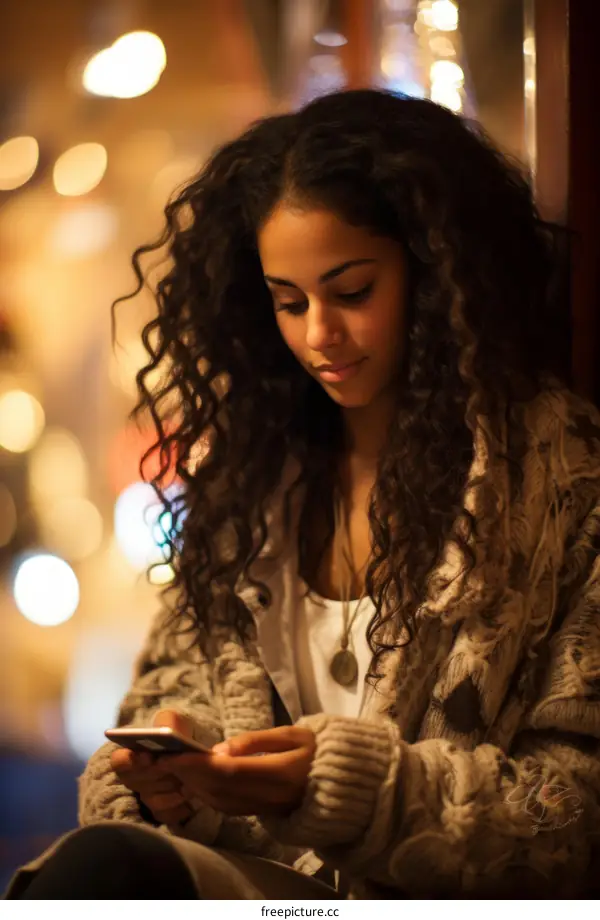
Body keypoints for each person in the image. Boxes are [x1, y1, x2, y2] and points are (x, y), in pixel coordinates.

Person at [6, 87, 600, 900]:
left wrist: (355, 792)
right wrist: (176, 783)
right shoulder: (255, 484)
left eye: (351, 292)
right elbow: (172, 689)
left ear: (434, 275)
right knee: (93, 874)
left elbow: (575, 810)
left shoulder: (557, 485)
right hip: (274, 897)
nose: (319, 334)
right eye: (289, 302)